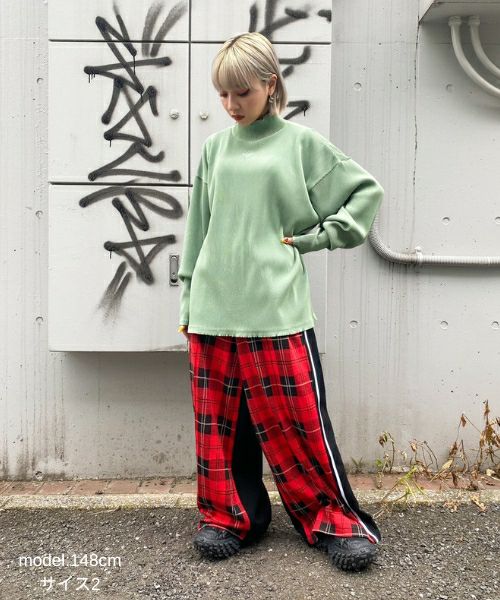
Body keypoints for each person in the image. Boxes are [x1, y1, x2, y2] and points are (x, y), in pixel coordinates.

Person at [177, 31, 384, 572]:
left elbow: (365, 192)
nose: (231, 104)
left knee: (298, 424)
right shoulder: (215, 148)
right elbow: (198, 227)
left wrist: (318, 238)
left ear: (271, 84)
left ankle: (332, 520)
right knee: (220, 429)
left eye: (242, 92)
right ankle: (230, 517)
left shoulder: (300, 144)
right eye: (223, 94)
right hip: (213, 309)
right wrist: (188, 302)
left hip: (276, 309)